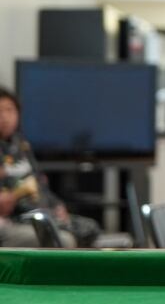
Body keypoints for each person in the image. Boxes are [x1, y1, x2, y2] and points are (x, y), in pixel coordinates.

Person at [0, 87, 100, 248]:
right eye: (0, 111)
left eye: (9, 110)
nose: (5, 117)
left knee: (90, 228)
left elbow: (40, 183)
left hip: (41, 211)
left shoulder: (22, 146)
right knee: (64, 240)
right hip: (14, 219)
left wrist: (57, 205)